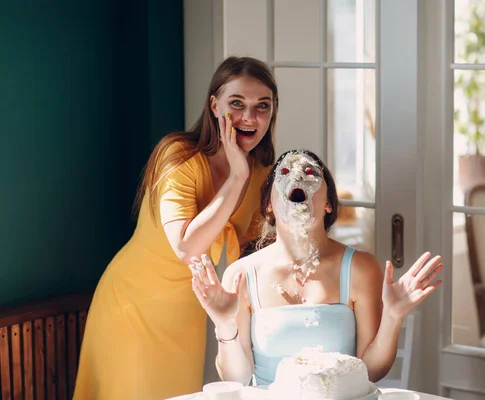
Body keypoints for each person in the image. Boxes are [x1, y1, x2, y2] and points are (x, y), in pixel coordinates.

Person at [74, 56, 279, 400]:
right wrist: (236, 175)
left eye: (263, 105)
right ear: (214, 106)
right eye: (236, 104)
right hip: (133, 307)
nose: (249, 117)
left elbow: (253, 250)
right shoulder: (178, 156)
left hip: (185, 316)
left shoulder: (262, 170)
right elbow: (186, 247)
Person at [190, 149, 443, 386]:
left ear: (328, 204)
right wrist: (224, 324)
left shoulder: (361, 268)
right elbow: (238, 380)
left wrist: (392, 317)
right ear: (269, 205)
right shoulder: (241, 274)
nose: (298, 176)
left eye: (310, 173)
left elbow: (371, 372)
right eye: (285, 173)